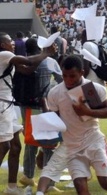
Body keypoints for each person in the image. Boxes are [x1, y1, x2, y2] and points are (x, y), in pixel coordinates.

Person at [36, 55, 107, 195]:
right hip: (72, 146)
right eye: (65, 76)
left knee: (106, 183)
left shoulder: (92, 89)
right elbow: (55, 118)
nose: (68, 80)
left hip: (94, 140)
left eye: (72, 76)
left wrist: (87, 111)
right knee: (80, 186)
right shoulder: (55, 93)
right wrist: (47, 135)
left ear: (82, 73)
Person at [0, 32, 55, 195]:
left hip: (8, 105)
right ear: (3, 44)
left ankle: (11, 187)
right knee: (5, 146)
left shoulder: (8, 58)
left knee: (16, 146)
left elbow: (28, 70)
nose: (13, 44)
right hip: (2, 106)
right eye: (10, 41)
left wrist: (44, 56)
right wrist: (45, 53)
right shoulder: (4, 54)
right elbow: (29, 60)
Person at [18, 38, 63, 190]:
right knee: (48, 144)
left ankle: (28, 175)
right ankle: (49, 181)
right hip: (44, 106)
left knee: (30, 142)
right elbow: (61, 81)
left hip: (26, 106)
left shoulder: (22, 62)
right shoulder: (49, 62)